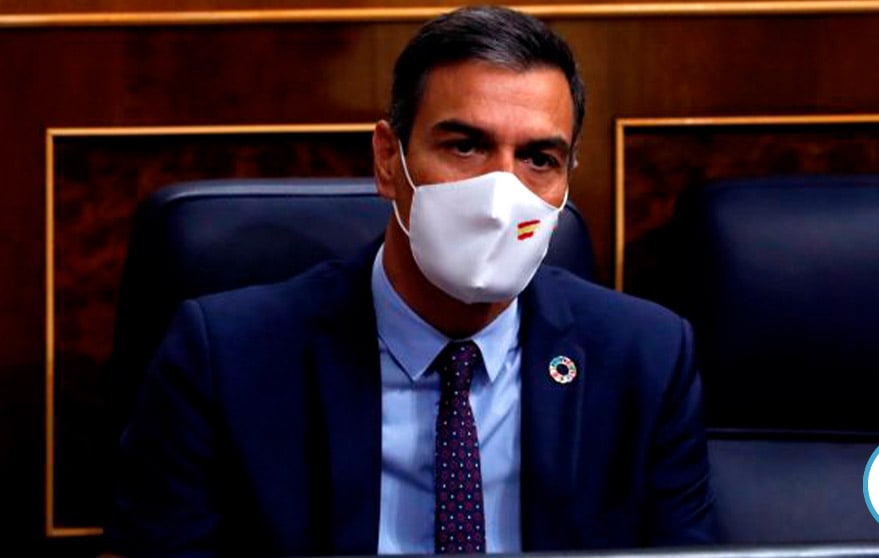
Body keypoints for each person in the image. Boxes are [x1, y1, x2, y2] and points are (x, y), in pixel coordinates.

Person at [106, 5, 717, 557]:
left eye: (539, 159)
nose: (501, 195)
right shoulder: (225, 359)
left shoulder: (645, 359)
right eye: (465, 146)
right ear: (387, 160)